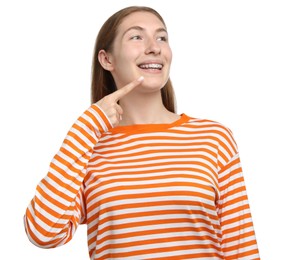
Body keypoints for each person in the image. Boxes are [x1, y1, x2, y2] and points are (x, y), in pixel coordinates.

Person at [23, 5, 260, 260]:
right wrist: (88, 126)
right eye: (136, 37)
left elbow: (240, 245)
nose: (154, 47)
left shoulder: (214, 138)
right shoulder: (87, 146)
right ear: (107, 59)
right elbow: (43, 232)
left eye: (162, 37)